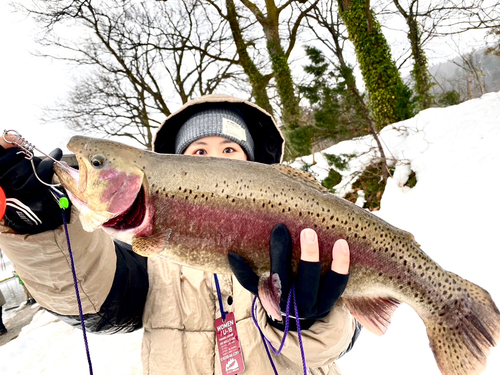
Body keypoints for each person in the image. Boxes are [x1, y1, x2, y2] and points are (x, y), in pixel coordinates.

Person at [0, 94, 359, 374]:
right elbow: (92, 301)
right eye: (199, 152)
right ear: (181, 170)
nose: (214, 160)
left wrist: (308, 318)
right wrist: (44, 231)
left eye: (230, 149)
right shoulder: (148, 256)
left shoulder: (301, 227)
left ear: (255, 169)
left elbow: (345, 337)